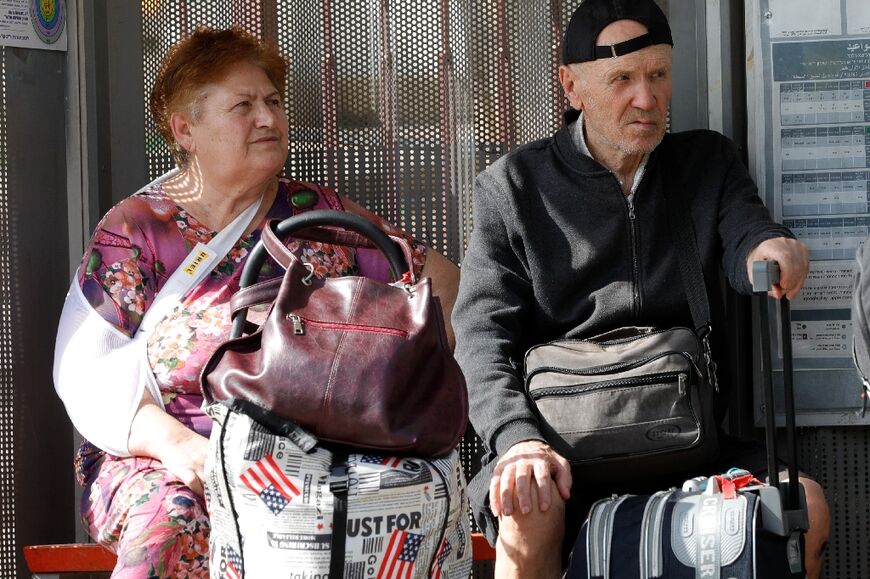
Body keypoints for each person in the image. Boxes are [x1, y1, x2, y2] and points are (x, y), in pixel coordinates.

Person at [53, 27, 459, 577]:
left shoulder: (315, 213)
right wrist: (177, 447)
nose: (268, 117)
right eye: (243, 105)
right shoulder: (139, 229)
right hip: (168, 457)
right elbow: (86, 371)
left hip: (307, 450)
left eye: (273, 101)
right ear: (185, 129)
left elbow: (440, 283)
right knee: (172, 523)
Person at [451, 1, 830, 577]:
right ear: (571, 86)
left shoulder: (706, 163)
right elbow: (481, 336)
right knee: (525, 507)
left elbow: (747, 233)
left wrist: (772, 249)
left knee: (809, 510)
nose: (647, 99)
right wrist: (517, 441)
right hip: (559, 454)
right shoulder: (514, 187)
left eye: (657, 75)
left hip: (691, 441)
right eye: (622, 79)